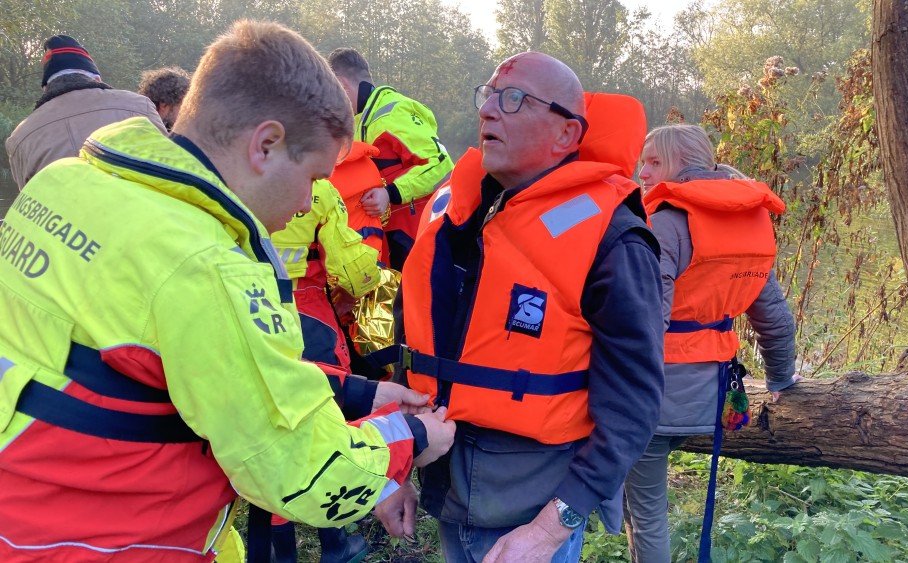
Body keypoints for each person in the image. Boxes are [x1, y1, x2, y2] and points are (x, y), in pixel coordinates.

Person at [0, 20, 454, 562]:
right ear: (266, 144)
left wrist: (360, 394)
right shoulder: (202, 264)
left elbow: (195, 365)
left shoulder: (66, 184)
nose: (310, 204)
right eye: (313, 177)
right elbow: (296, 470)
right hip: (119, 541)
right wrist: (412, 436)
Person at [393, 52, 665, 563]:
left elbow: (633, 408)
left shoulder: (615, 241)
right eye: (488, 95)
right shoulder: (457, 219)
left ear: (566, 134)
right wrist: (395, 469)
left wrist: (548, 530)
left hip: (532, 521)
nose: (489, 111)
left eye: (513, 99)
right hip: (451, 498)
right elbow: (416, 352)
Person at [624, 124, 800, 562]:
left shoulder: (662, 223)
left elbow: (647, 321)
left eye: (654, 161)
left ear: (683, 164)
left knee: (647, 513)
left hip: (653, 391)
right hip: (713, 394)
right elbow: (773, 317)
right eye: (642, 161)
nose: (642, 172)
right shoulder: (751, 223)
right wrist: (780, 378)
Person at [267, 178, 381, 563]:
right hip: (307, 313)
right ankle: (336, 545)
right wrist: (372, 274)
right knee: (326, 424)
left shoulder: (225, 170)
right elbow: (350, 271)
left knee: (272, 432)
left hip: (249, 308)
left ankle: (282, 554)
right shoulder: (318, 189)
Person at [327, 47, 454, 270]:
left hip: (415, 239)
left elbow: (442, 165)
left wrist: (390, 193)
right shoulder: (360, 121)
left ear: (341, 85)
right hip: (387, 242)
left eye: (330, 91)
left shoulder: (393, 112)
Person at [4, 34, 166, 189]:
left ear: (45, 88)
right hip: (140, 216)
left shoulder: (19, 138)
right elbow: (170, 170)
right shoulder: (139, 106)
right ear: (96, 79)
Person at [137, 66, 192, 131]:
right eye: (184, 106)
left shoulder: (134, 123)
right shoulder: (151, 134)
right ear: (164, 104)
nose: (187, 113)